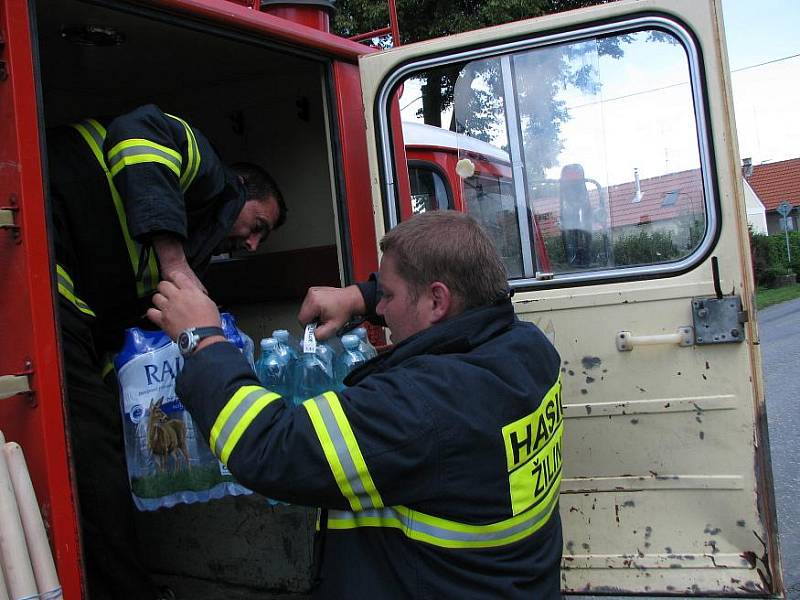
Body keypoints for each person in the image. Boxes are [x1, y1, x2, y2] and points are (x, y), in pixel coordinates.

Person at [148, 210, 563, 598]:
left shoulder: (423, 408)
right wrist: (357, 297)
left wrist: (201, 339)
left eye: (386, 295)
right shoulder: (528, 351)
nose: (378, 309)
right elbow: (453, 320)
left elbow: (270, 446)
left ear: (437, 301)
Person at [48, 103, 286, 600]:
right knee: (92, 458)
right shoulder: (213, 176)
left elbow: (124, 331)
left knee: (105, 446)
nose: (254, 244)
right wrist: (175, 264)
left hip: (74, 303)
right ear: (243, 190)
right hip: (47, 248)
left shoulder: (188, 241)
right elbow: (134, 130)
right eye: (259, 224)